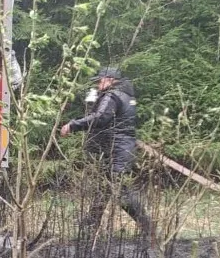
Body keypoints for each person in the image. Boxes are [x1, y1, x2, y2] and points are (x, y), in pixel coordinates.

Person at [60, 66, 154, 241]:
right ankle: (90, 225)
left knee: (120, 192)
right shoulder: (125, 95)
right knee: (103, 188)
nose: (97, 84)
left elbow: (100, 117)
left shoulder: (112, 95)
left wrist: (73, 125)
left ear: (110, 80)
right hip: (118, 147)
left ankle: (148, 228)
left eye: (100, 80)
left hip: (117, 149)